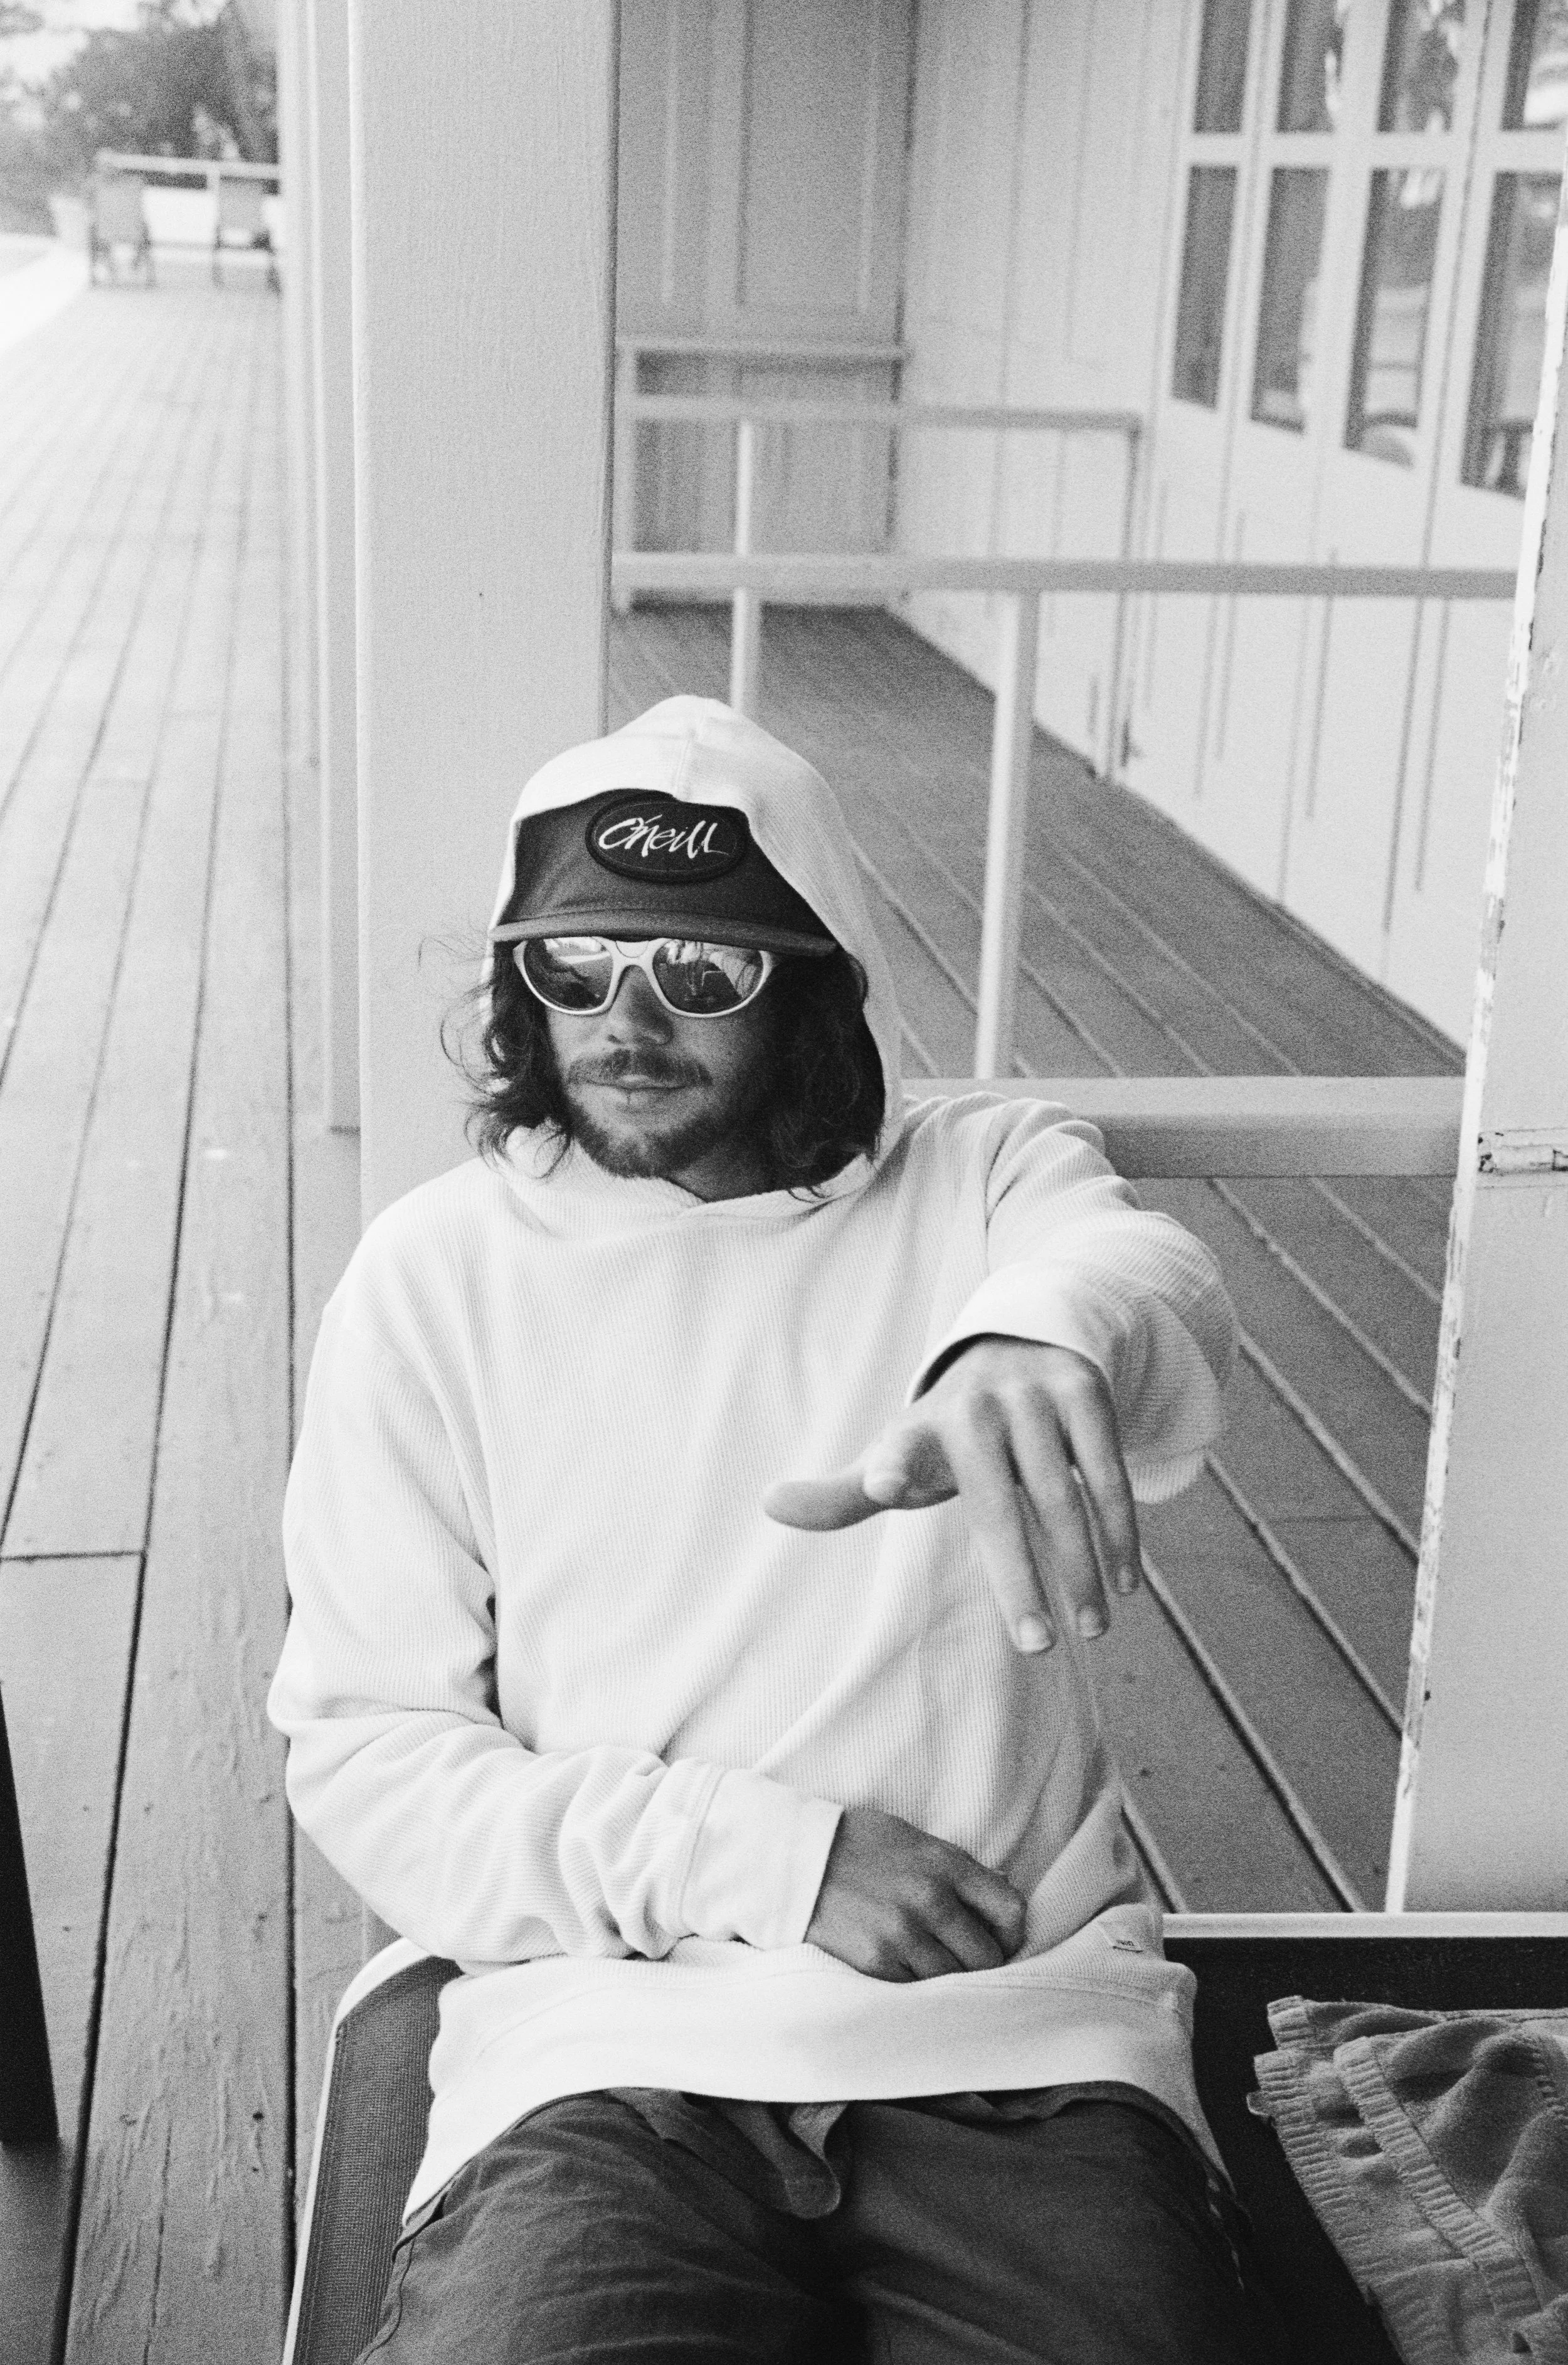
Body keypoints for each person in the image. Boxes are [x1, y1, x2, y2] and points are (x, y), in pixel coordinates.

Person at [268, 697, 1282, 2362]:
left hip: (1017, 2042)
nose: (626, 1018)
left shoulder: (978, 1185)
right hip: (604, 2049)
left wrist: (1031, 1337)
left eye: (702, 972)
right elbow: (368, 1753)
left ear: (815, 977)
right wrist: (775, 1862)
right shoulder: (433, 1274)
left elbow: (1140, 1285)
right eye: (574, 965)